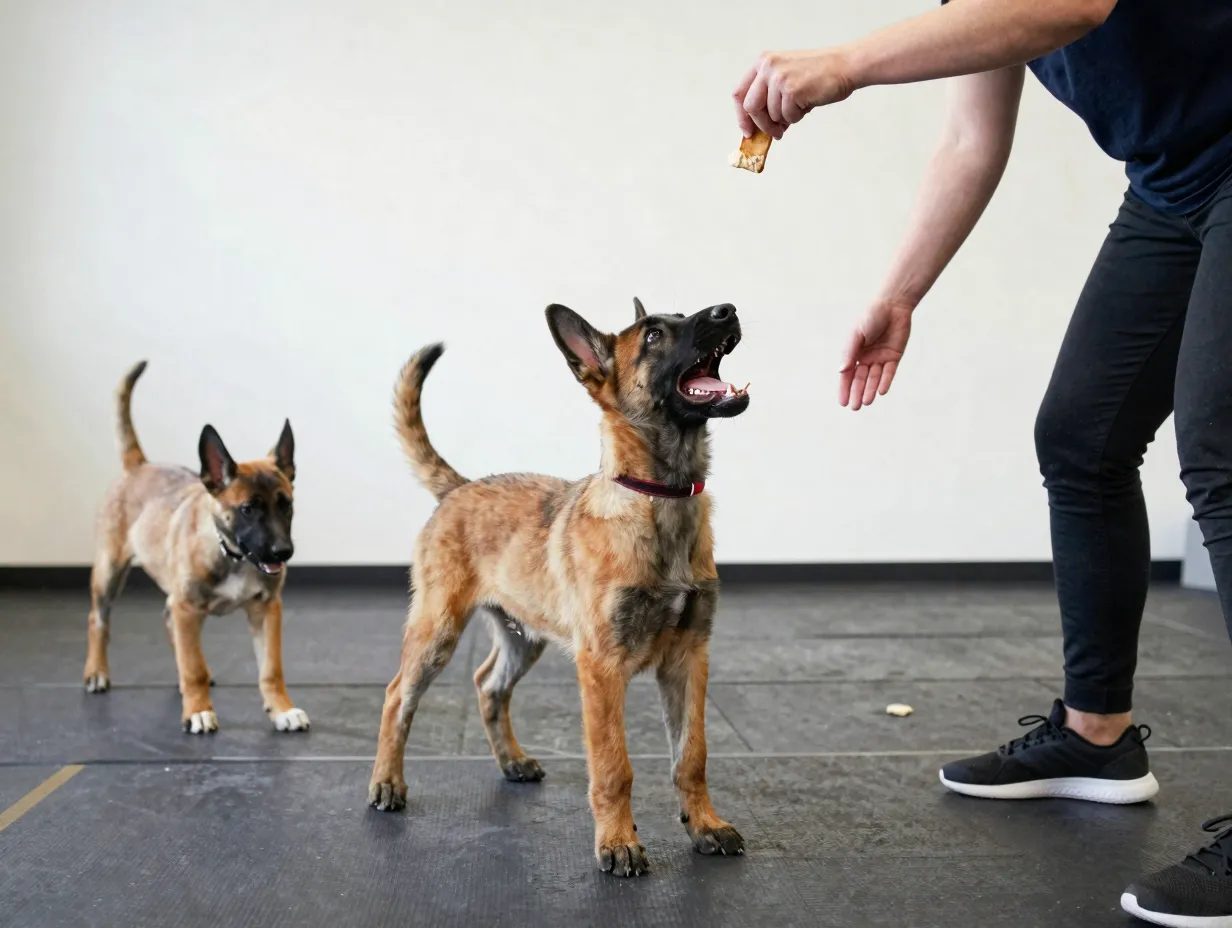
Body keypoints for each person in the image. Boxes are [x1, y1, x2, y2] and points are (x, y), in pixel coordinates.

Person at [732, 1, 1232, 925]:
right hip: (1173, 184)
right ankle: (1096, 736)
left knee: (1221, 454)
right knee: (1080, 437)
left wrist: (845, 64)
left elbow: (1069, 5)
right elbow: (971, 138)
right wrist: (899, 295)